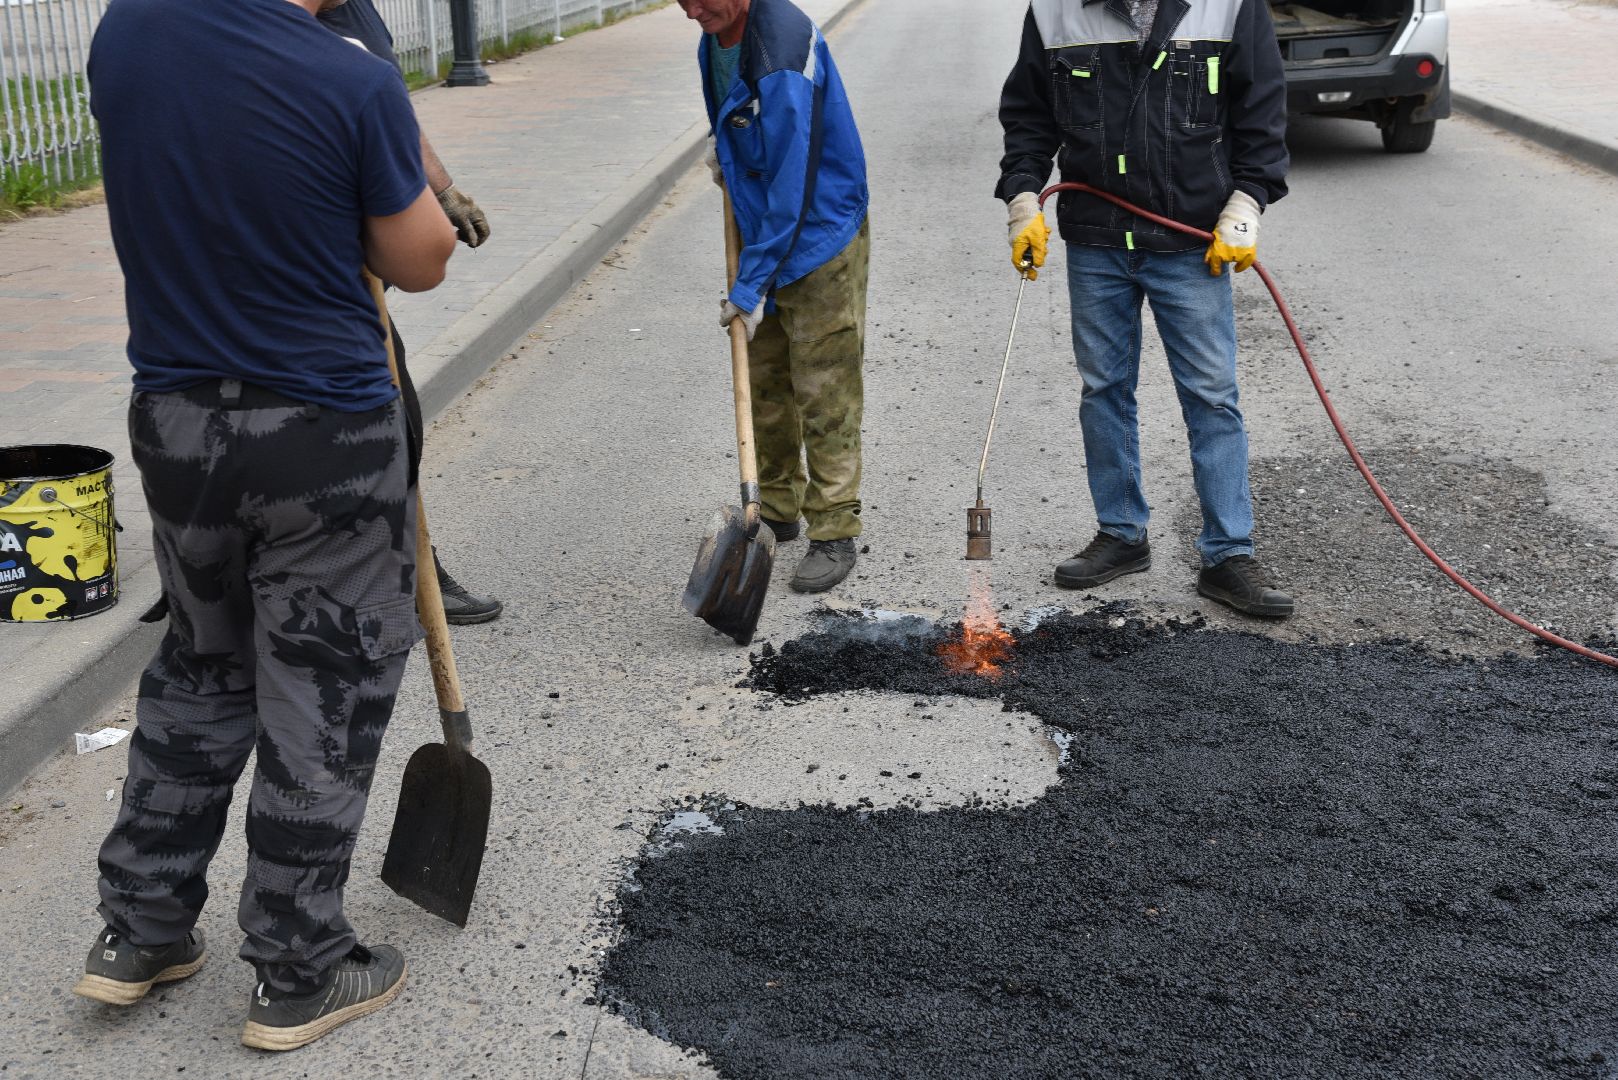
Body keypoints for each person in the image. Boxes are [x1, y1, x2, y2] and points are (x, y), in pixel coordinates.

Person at [78, 0, 455, 1051]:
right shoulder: (349, 80)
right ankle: (299, 967)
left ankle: (140, 930)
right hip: (320, 433)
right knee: (320, 683)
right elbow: (420, 258)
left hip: (177, 423)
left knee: (201, 666)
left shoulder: (127, 31)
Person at [997, 0, 1295, 618]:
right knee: (1104, 388)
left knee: (1211, 395)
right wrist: (1023, 196)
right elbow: (1028, 116)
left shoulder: (1230, 6)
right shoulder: (1055, 12)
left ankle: (1227, 556)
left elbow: (1261, 113)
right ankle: (1121, 534)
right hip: (1097, 240)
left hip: (1190, 240)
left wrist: (1246, 203)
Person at [320, 0, 504, 625]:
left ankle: (407, 565)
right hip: (320, 270)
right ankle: (398, 573)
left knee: (397, 422)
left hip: (359, 259)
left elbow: (388, 101)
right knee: (381, 422)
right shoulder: (295, 24)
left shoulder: (356, 14)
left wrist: (440, 185)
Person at [678, 0, 871, 593]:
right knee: (764, 379)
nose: (691, 11)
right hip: (764, 225)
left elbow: (794, 183)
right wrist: (726, 154)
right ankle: (777, 508)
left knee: (823, 387)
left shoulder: (782, 52)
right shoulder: (716, 36)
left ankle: (835, 528)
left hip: (817, 236)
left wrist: (750, 283)